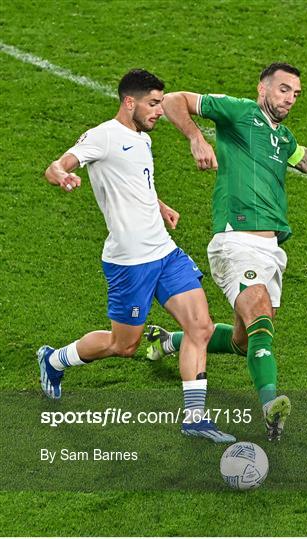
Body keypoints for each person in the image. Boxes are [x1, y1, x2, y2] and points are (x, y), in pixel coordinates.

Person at [145, 62, 307, 442]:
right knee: (261, 319)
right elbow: (173, 100)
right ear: (263, 89)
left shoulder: (282, 138)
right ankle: (270, 404)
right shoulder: (239, 112)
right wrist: (195, 138)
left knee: (244, 340)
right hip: (236, 240)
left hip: (271, 250)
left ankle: (167, 341)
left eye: (296, 93)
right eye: (284, 89)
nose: (290, 98)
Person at [38, 68, 235, 444]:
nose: (160, 110)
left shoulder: (141, 138)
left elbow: (136, 182)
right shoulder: (103, 136)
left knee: (201, 326)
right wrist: (63, 176)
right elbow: (57, 165)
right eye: (153, 103)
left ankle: (195, 419)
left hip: (164, 252)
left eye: (160, 103)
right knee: (122, 345)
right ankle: (54, 359)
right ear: (130, 102)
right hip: (129, 261)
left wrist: (159, 206)